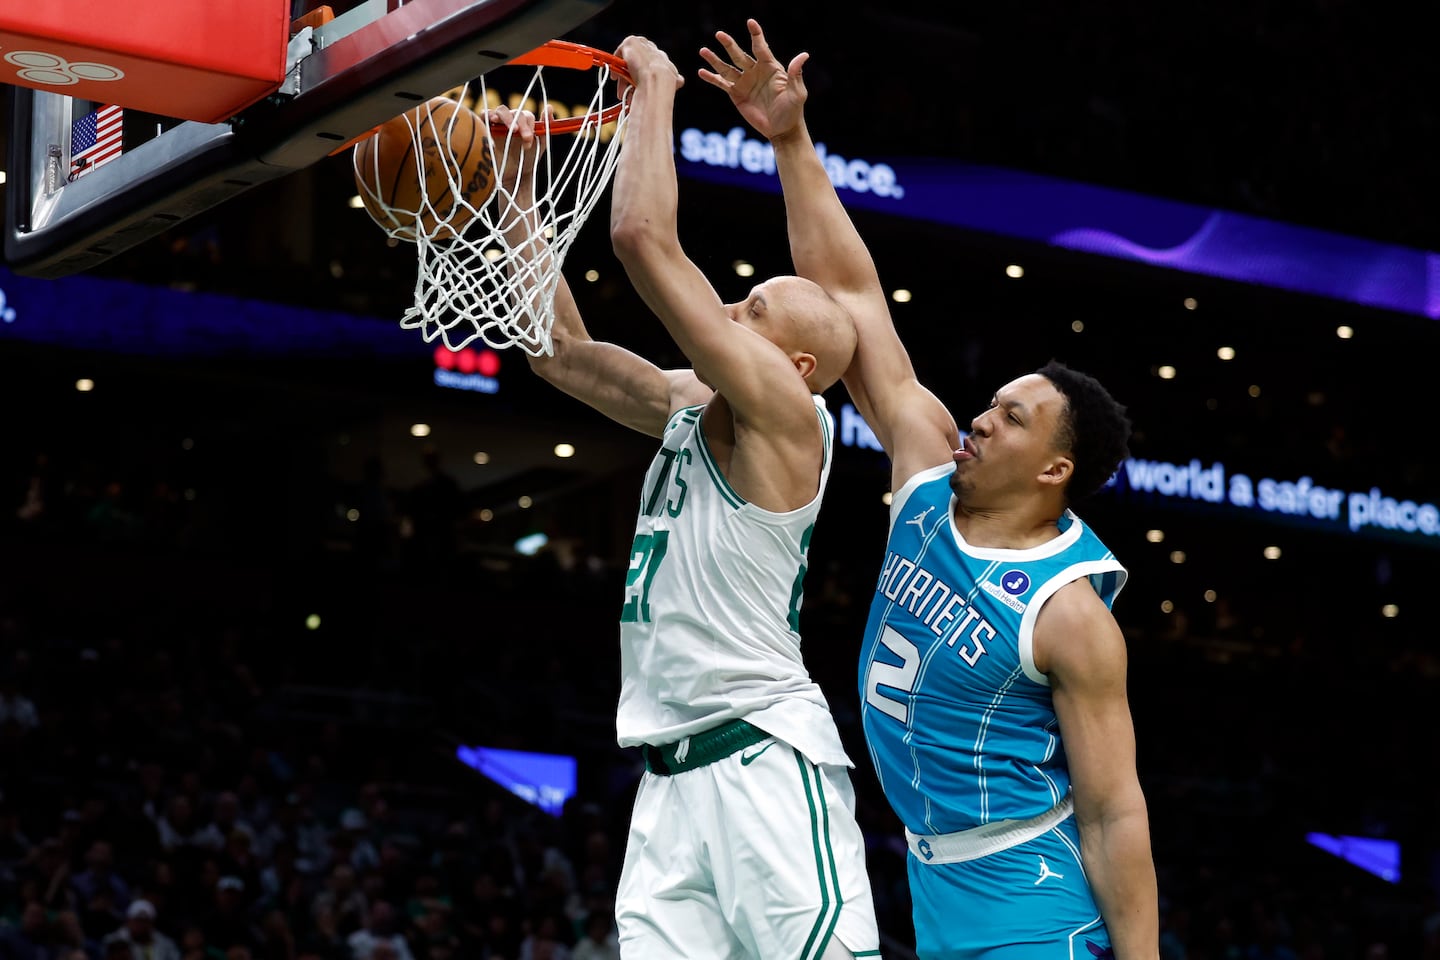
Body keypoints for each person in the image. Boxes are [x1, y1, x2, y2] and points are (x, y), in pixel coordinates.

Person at [698, 19, 1159, 959]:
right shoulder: (925, 473)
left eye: (1011, 419)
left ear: (1055, 471)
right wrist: (790, 141)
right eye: (992, 405)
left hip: (1029, 895)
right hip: (932, 876)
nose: (980, 421)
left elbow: (1114, 811)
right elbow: (853, 303)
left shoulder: (1070, 614)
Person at [493, 32, 881, 960]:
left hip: (762, 761)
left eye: (751, 311)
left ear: (794, 366)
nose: (726, 315)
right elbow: (560, 354)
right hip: (668, 781)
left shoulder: (789, 417)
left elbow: (640, 238)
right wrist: (510, 195)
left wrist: (655, 89)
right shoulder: (691, 403)